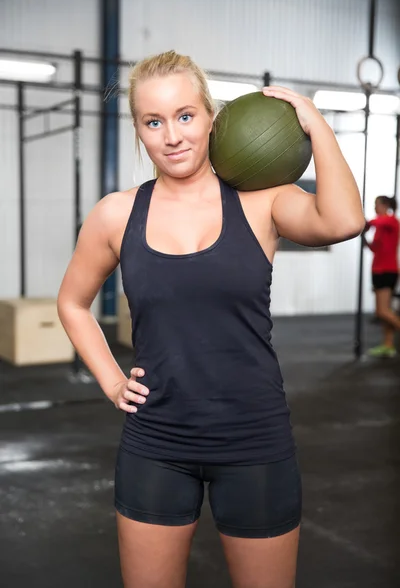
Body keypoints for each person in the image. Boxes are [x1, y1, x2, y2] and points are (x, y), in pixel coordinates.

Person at [57, 50, 365, 588]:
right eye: (153, 122)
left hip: (254, 441)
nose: (172, 135)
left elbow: (344, 220)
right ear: (138, 129)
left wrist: (314, 123)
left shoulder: (260, 202)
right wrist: (111, 380)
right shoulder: (117, 213)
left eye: (185, 115)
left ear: (210, 118)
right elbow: (72, 302)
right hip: (156, 441)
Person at [364, 196, 400, 357]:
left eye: (376, 204)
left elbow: (374, 222)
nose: (374, 207)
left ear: (385, 205)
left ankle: (389, 343)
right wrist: (363, 236)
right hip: (378, 270)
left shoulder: (391, 221)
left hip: (387, 271)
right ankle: (388, 344)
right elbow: (374, 248)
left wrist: (361, 223)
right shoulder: (380, 226)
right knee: (386, 311)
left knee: (382, 311)